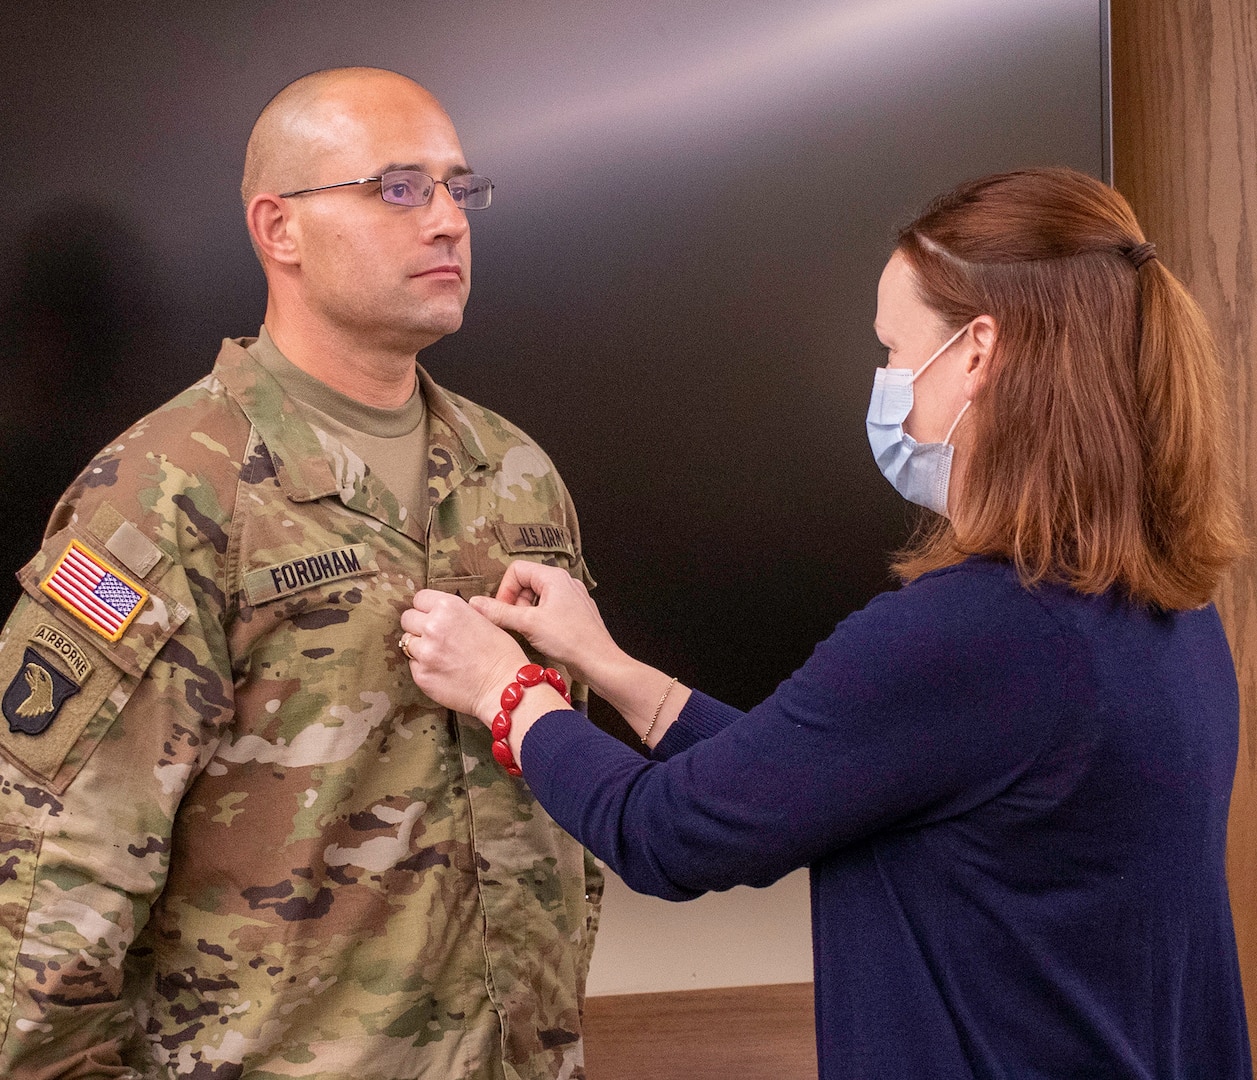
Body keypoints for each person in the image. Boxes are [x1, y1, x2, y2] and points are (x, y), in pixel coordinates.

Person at [401, 167, 1253, 1079]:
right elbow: (818, 778)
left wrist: (507, 690)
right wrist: (604, 665)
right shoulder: (1163, 613)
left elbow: (668, 836)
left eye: (892, 348)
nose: (883, 381)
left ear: (976, 351)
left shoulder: (970, 632)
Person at [0, 67, 602, 1079]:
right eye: (400, 187)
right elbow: (47, 879)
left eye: (460, 187)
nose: (449, 220)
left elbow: (558, 801)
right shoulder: (168, 489)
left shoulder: (518, 475)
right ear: (279, 229)